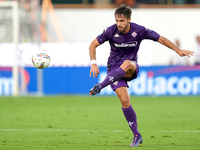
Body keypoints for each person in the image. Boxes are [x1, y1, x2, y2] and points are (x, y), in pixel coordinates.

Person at [89, 4, 194, 147]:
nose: (118, 24)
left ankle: (100, 86)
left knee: (126, 63)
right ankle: (137, 135)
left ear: (129, 20)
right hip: (114, 70)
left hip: (131, 67)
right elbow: (92, 45)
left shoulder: (140, 30)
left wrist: (178, 50)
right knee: (125, 101)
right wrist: (93, 63)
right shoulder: (110, 31)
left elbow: (161, 39)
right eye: (116, 21)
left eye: (122, 21)